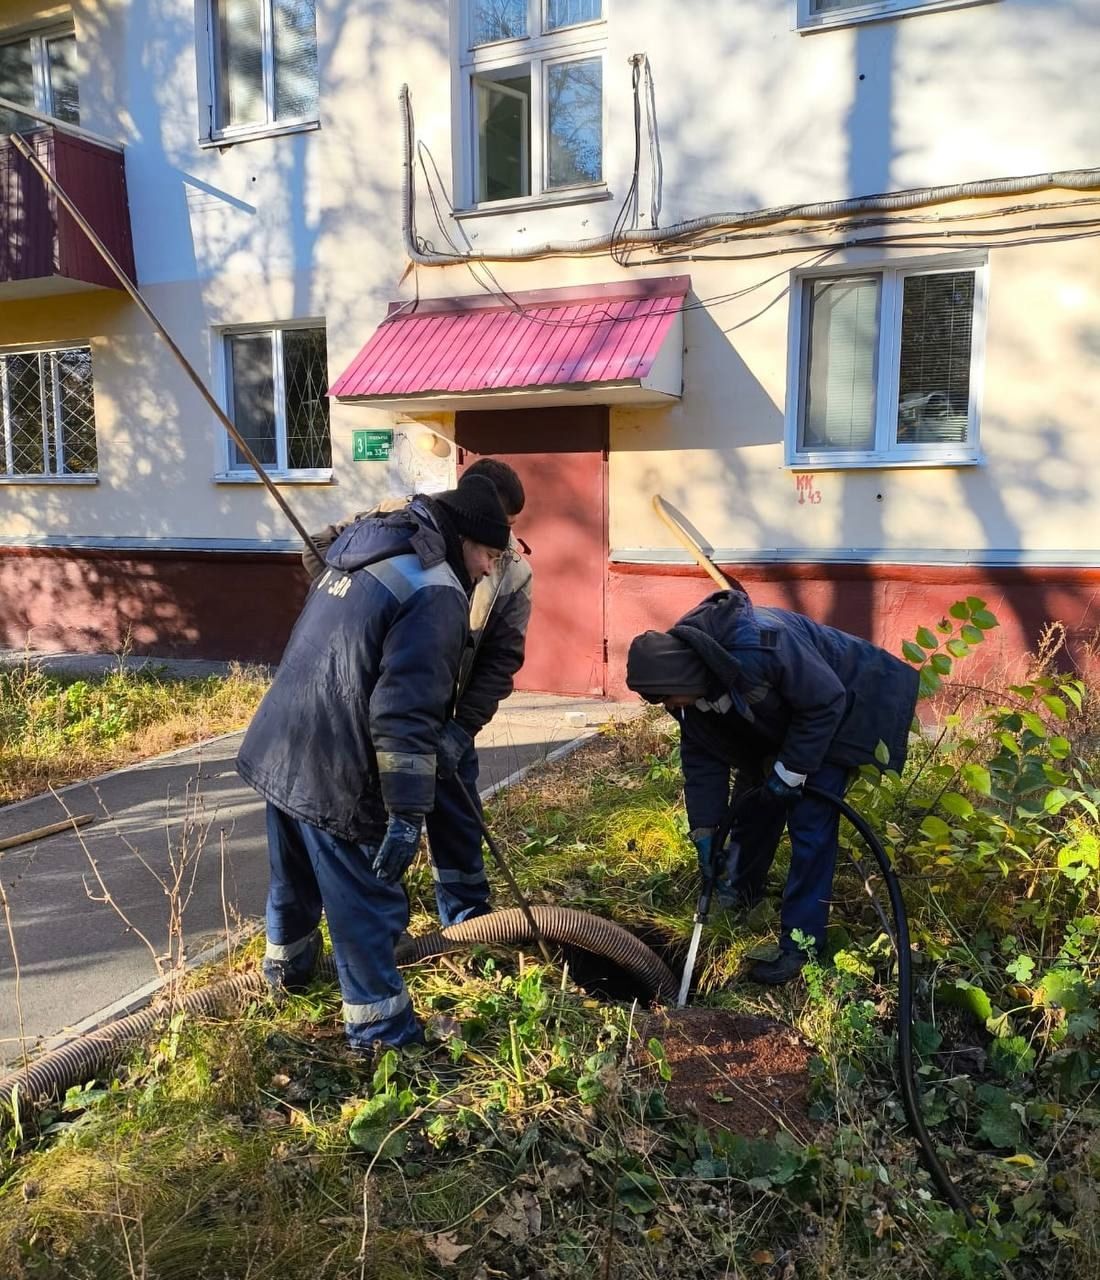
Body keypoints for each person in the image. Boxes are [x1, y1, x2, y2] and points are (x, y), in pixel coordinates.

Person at [237, 472, 512, 1052]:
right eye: (488, 554)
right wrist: (408, 814)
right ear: (465, 540)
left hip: (280, 742)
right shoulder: (437, 590)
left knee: (294, 881)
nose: (490, 569)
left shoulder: (369, 542)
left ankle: (286, 979)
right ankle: (383, 1037)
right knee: (364, 902)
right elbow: (405, 714)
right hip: (335, 763)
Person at [625, 588, 919, 984]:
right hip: (781, 721)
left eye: (670, 699)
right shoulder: (692, 695)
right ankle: (739, 891)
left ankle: (801, 946)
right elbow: (703, 761)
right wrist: (707, 831)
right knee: (751, 805)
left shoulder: (759, 646)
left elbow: (825, 701)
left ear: (686, 677)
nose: (670, 708)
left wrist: (790, 771)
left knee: (810, 823)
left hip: (843, 705)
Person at [301, 458, 533, 927]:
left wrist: (462, 729)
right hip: (389, 710)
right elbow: (318, 550)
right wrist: (363, 612)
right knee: (384, 819)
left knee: (458, 823)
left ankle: (468, 918)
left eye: (507, 530)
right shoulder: (399, 523)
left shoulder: (513, 575)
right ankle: (386, 927)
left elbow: (501, 661)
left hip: (447, 717)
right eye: (495, 529)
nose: (499, 547)